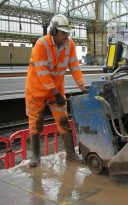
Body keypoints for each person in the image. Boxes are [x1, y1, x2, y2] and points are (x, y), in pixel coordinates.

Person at [25, 14, 87, 167]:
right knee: (35, 121)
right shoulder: (41, 45)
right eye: (62, 33)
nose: (66, 36)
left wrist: (82, 87)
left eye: (67, 33)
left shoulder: (69, 44)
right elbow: (42, 72)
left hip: (56, 90)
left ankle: (71, 154)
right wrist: (55, 93)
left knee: (63, 121)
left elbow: (74, 66)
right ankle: (36, 156)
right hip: (36, 89)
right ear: (53, 31)